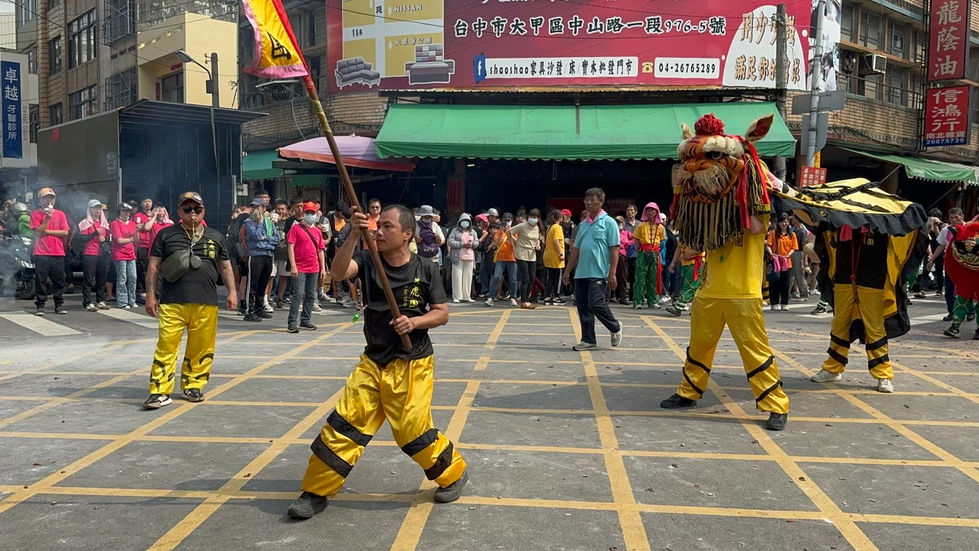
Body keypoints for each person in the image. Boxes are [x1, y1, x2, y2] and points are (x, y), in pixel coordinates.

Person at [287, 204, 467, 520]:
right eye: (377, 226)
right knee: (345, 424)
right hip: (374, 361)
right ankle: (316, 491)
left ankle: (452, 473)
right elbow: (339, 274)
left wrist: (415, 323)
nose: (379, 231)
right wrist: (355, 235)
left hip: (412, 362)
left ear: (407, 234)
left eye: (387, 226)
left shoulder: (426, 268)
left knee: (412, 430)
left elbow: (442, 313)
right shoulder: (369, 260)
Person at [659, 113, 789, 431]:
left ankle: (775, 403)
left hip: (742, 290)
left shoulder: (753, 203)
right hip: (709, 287)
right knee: (699, 343)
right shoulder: (705, 207)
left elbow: (758, 225)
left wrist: (738, 196)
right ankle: (689, 391)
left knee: (753, 347)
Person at [143, 192, 237, 409]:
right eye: (187, 209)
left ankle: (193, 386)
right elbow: (154, 267)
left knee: (201, 348)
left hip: (206, 302)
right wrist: (150, 295)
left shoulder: (216, 236)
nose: (192, 213)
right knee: (166, 347)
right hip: (172, 302)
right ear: (178, 211)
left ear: (203, 211)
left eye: (197, 209)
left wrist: (233, 292)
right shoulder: (166, 235)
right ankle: (159, 391)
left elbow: (225, 266)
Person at [562, 188, 622, 350]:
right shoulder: (583, 225)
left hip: (599, 272)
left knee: (595, 303)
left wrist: (612, 273)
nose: (588, 203)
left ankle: (615, 326)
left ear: (601, 202)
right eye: (586, 200)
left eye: (592, 200)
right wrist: (568, 270)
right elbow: (576, 250)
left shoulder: (609, 223)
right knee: (583, 307)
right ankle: (588, 340)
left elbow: (614, 249)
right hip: (581, 273)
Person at [287, 202, 327, 333]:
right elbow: (290, 247)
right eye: (308, 213)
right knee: (298, 294)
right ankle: (292, 322)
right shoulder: (295, 228)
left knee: (310, 295)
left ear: (316, 214)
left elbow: (321, 250)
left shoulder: (317, 231)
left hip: (314, 267)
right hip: (299, 267)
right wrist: (293, 265)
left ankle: (305, 320)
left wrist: (323, 268)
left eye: (312, 213)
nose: (310, 215)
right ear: (303, 214)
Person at [30, 188, 70, 316]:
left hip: (57, 252)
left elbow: (65, 232)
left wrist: (47, 231)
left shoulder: (60, 214)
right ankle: (40, 305)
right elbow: (38, 232)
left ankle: (58, 304)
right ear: (40, 200)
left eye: (51, 197)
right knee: (41, 280)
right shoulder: (35, 214)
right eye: (46, 197)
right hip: (41, 252)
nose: (49, 200)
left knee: (59, 280)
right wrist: (47, 219)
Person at [243, 197, 278, 322]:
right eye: (253, 207)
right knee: (253, 283)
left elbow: (276, 238)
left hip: (268, 254)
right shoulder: (249, 222)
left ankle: (259, 308)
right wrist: (259, 224)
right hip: (256, 254)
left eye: (258, 207)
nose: (255, 209)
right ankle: (249, 310)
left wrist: (265, 239)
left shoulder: (269, 222)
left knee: (263, 283)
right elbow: (256, 236)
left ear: (264, 208)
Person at [77, 199, 112, 311]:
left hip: (103, 253)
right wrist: (94, 234)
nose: (97, 210)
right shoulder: (85, 223)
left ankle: (100, 300)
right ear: (90, 209)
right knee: (89, 279)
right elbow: (81, 239)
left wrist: (105, 239)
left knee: (102, 278)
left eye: (99, 208)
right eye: (95, 208)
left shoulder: (104, 223)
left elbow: (108, 238)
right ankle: (87, 302)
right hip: (90, 253)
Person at [632, 202, 666, 309]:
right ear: (645, 212)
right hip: (643, 253)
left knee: (653, 278)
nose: (650, 212)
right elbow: (636, 239)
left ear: (657, 212)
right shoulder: (641, 226)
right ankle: (638, 301)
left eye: (653, 210)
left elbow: (662, 241)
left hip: (655, 253)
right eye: (648, 210)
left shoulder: (660, 227)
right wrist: (640, 249)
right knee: (640, 278)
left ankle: (653, 301)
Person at [510, 208, 542, 309]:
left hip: (532, 255)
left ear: (538, 218)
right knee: (526, 278)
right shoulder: (522, 226)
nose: (533, 219)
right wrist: (515, 244)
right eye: (531, 217)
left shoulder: (538, 227)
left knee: (532, 278)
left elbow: (538, 239)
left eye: (535, 217)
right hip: (521, 254)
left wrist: (538, 244)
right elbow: (509, 232)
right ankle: (523, 301)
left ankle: (527, 300)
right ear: (528, 217)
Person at [766, 213, 799, 312]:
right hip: (775, 261)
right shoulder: (773, 232)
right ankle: (774, 303)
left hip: (786, 262)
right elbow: (768, 244)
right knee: (774, 282)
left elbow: (794, 247)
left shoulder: (792, 234)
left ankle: (784, 303)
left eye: (785, 221)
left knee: (785, 283)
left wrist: (789, 254)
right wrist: (771, 253)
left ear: (788, 222)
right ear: (778, 223)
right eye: (781, 221)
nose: (783, 224)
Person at [485, 212, 518, 306]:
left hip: (512, 258)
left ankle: (513, 297)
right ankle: (491, 297)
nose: (507, 223)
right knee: (496, 277)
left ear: (512, 221)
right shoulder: (499, 231)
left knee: (513, 279)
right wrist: (501, 232)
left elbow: (515, 243)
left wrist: (509, 233)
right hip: (501, 258)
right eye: (505, 221)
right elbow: (496, 243)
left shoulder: (514, 231)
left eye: (508, 221)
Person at [665, 241, 705, 316]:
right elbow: (679, 248)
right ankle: (697, 309)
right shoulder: (684, 234)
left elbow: (704, 246)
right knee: (695, 288)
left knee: (689, 286)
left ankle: (679, 307)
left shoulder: (700, 231)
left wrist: (691, 253)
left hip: (695, 263)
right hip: (684, 264)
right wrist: (673, 263)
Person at [110, 203, 138, 309]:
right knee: (122, 278)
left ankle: (132, 300)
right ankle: (123, 301)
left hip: (131, 253)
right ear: (119, 212)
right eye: (124, 211)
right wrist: (130, 239)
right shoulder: (115, 223)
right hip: (119, 253)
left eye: (128, 211)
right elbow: (119, 240)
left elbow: (136, 238)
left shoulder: (132, 223)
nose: (126, 213)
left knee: (133, 277)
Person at [448, 213, 478, 303]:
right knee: (457, 277)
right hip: (458, 257)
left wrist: (472, 244)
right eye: (463, 221)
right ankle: (457, 296)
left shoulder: (472, 232)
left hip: (469, 257)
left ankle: (467, 296)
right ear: (460, 222)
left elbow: (477, 242)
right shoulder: (455, 231)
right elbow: (450, 241)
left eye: (467, 221)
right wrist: (463, 244)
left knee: (468, 277)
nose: (465, 223)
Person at [272, 199, 292, 309]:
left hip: (285, 252)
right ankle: (268, 297)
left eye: (283, 209)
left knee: (284, 276)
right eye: (278, 209)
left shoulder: (290, 222)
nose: (280, 211)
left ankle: (280, 298)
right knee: (271, 276)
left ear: (287, 210)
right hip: (273, 251)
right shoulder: (271, 220)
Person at [542, 210, 566, 305]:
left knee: (550, 277)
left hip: (548, 255)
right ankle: (556, 297)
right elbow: (556, 241)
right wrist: (561, 253)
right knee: (558, 277)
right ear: (559, 218)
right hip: (555, 256)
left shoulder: (550, 227)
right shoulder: (557, 227)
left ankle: (547, 297)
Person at [134, 197, 155, 300]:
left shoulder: (156, 215)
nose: (147, 203)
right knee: (142, 269)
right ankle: (140, 291)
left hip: (153, 245)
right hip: (142, 245)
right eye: (145, 201)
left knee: (152, 269)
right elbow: (137, 228)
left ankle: (151, 290)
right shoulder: (138, 215)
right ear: (141, 204)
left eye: (149, 201)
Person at [477, 208, 500, 297]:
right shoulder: (487, 225)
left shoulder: (499, 226)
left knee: (494, 274)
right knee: (483, 272)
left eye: (489, 217)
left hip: (494, 254)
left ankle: (492, 292)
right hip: (485, 253)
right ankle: (485, 290)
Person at [787, 216, 810, 300]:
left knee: (799, 274)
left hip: (799, 253)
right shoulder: (793, 230)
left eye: (793, 218)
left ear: (797, 219)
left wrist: (805, 259)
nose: (791, 220)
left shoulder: (802, 231)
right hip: (792, 253)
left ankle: (804, 294)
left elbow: (804, 246)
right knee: (791, 274)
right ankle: (787, 294)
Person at [613, 216, 634, 305]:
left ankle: (622, 297)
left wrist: (626, 244)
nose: (619, 225)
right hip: (612, 255)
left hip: (622, 255)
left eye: (620, 223)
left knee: (622, 276)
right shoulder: (612, 232)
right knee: (612, 275)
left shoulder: (626, 233)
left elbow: (634, 238)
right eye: (617, 223)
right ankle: (611, 296)